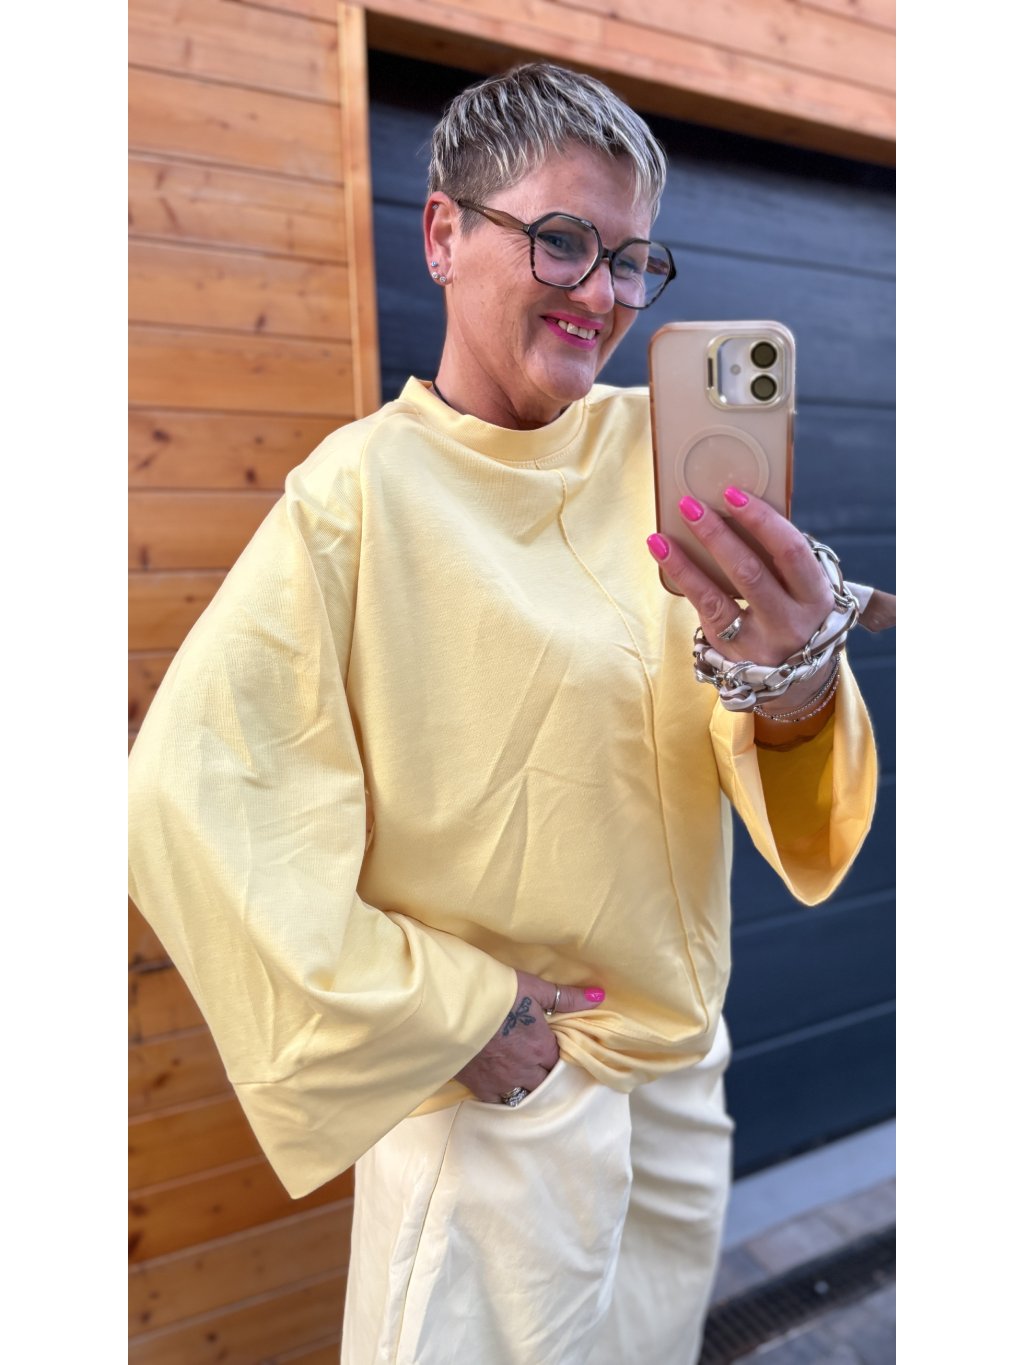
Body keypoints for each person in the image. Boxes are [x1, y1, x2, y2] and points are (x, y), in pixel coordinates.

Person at [128, 62, 881, 1364]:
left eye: (633, 259)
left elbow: (754, 756)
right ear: (442, 234)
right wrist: (452, 1011)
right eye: (564, 238)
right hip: (500, 1113)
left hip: (677, 1086)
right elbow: (190, 803)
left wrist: (797, 681)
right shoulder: (355, 497)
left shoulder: (660, 454)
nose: (604, 292)